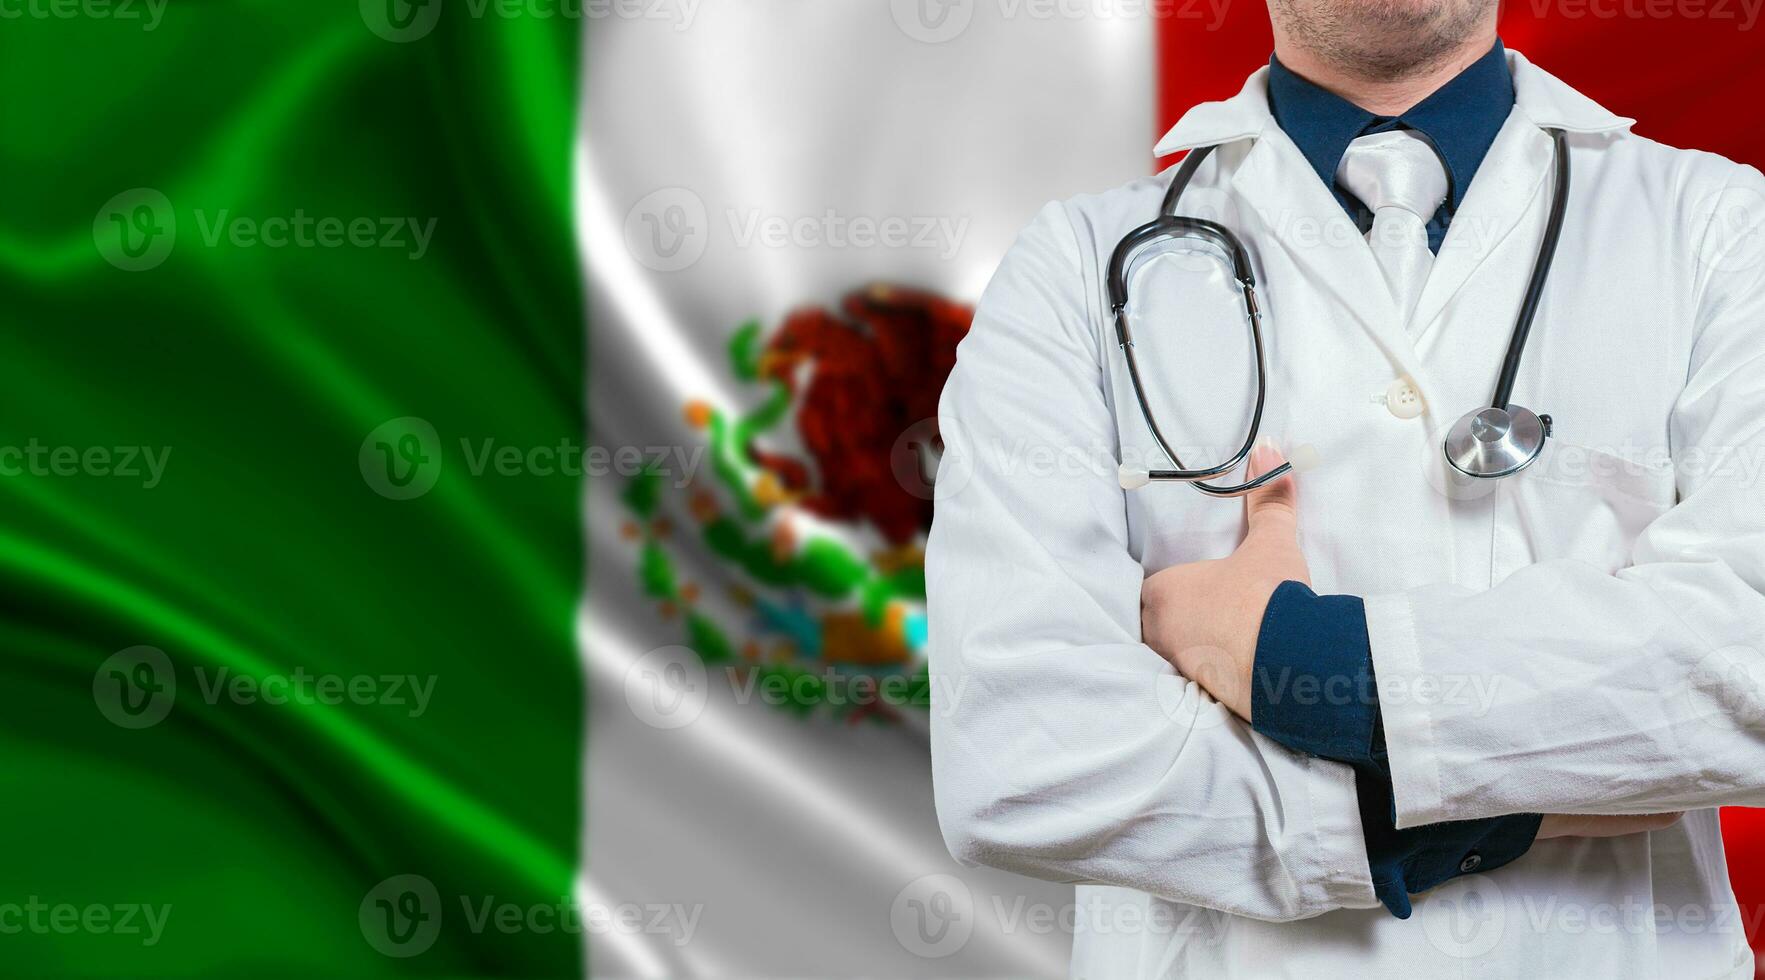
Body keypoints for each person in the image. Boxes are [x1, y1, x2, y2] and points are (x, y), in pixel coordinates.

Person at [926, 1, 1765, 975]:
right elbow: (1019, 757)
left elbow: (1746, 657)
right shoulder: (1072, 266)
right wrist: (1477, 814)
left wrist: (1286, 653)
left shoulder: (1722, 230)